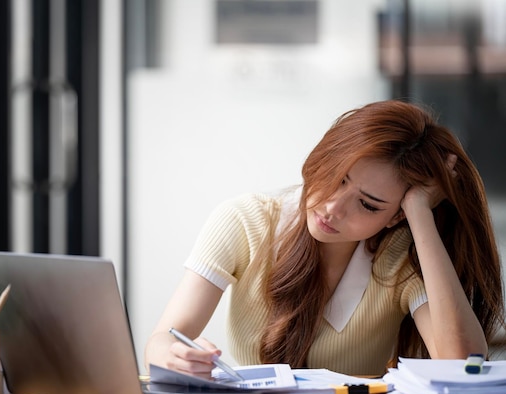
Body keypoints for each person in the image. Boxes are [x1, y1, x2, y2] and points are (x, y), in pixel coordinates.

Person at [144, 99, 506, 377]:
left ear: (395, 216)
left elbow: (463, 364)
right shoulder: (245, 222)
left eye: (367, 204)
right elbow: (164, 338)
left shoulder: (400, 257)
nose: (333, 207)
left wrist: (419, 213)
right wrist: (173, 355)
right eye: (337, 176)